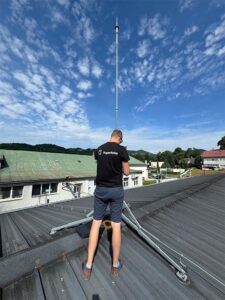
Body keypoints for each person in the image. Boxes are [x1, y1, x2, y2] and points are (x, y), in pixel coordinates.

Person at [82, 129, 130, 280]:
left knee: (96, 224)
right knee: (116, 225)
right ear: (120, 138)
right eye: (121, 140)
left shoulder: (100, 149)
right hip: (116, 190)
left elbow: (103, 166)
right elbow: (127, 173)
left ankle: (88, 266)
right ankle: (115, 266)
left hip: (101, 190)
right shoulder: (122, 150)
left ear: (111, 136)